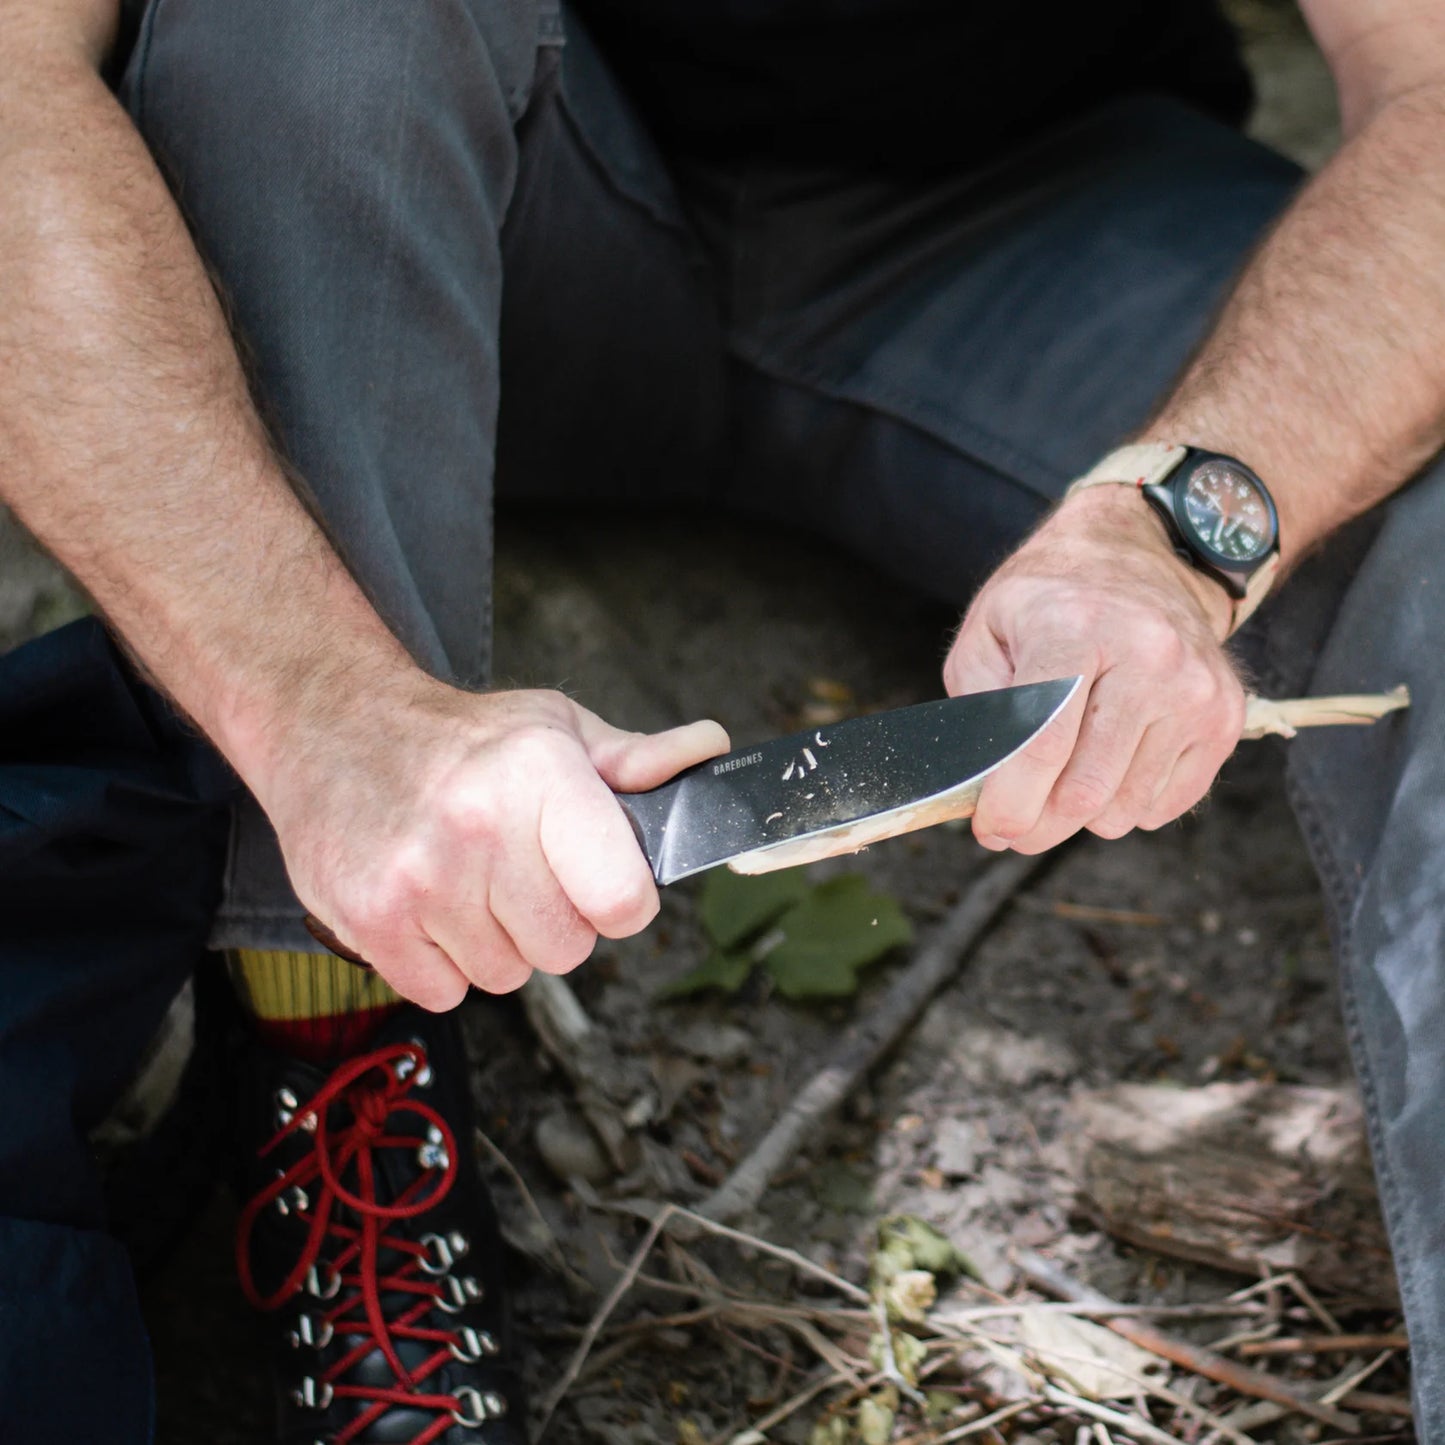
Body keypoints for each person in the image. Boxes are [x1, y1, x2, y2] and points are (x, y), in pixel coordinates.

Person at [2, 0, 1443, 1440]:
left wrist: (1178, 529)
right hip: (501, 197)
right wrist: (320, 703)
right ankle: (340, 1050)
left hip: (1050, 223)